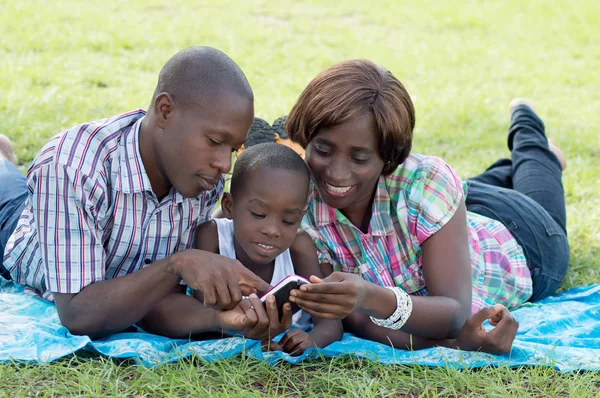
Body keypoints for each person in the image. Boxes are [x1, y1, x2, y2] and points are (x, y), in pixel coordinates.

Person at [283, 59, 569, 354]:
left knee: (538, 171)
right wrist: (454, 345)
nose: (336, 173)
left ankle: (529, 130)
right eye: (323, 150)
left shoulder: (424, 182)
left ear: (388, 158)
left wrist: (370, 296)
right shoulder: (302, 207)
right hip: (451, 211)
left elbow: (455, 314)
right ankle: (506, 171)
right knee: (443, 189)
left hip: (524, 241)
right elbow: (361, 324)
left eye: (359, 158)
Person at [0, 47, 275, 339]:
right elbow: (78, 314)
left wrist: (222, 320)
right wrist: (177, 264)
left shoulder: (202, 178)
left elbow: (156, 300)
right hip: (16, 229)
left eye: (233, 149)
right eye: (214, 141)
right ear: (165, 110)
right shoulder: (71, 168)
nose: (224, 163)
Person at [193, 142, 342, 355]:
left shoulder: (299, 247)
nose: (272, 230)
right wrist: (253, 340)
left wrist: (310, 340)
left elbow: (331, 323)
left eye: (289, 220)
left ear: (300, 217)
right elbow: (203, 316)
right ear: (228, 206)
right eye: (258, 214)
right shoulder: (212, 237)